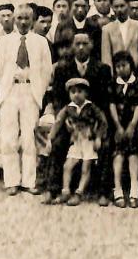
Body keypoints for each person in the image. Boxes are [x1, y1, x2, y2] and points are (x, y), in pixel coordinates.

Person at [0, 4, 53, 195]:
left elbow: (46, 70)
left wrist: (38, 92)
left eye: (27, 18)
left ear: (33, 20)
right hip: (10, 90)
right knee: (8, 138)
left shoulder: (40, 42)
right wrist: (6, 86)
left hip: (30, 91)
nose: (23, 22)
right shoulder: (4, 42)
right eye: (19, 18)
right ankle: (11, 181)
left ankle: (29, 181)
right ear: (14, 20)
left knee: (29, 137)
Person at [44, 31, 112, 204]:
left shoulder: (102, 69)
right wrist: (67, 119)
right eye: (77, 44)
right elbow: (58, 98)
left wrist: (95, 128)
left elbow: (104, 102)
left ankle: (103, 192)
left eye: (85, 43)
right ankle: (53, 189)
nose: (81, 47)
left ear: (91, 45)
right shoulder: (62, 69)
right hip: (71, 122)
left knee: (104, 144)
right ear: (72, 47)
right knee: (58, 142)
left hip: (92, 124)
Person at [48, 78, 108, 206]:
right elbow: (58, 121)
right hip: (76, 141)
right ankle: (65, 191)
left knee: (86, 167)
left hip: (88, 141)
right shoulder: (69, 108)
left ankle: (79, 192)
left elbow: (103, 122)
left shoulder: (91, 107)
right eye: (73, 92)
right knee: (67, 166)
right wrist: (50, 138)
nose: (76, 94)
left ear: (86, 93)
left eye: (79, 91)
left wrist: (98, 137)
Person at [107, 51, 138, 208]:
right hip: (117, 125)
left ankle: (134, 190)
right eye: (118, 66)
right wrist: (118, 127)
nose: (121, 69)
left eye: (124, 65)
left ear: (131, 65)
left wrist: (132, 126)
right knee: (118, 153)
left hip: (133, 125)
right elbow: (112, 105)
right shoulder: (113, 83)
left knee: (133, 154)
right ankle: (118, 190)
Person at [101, 0, 138, 71]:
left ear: (128, 5)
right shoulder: (107, 29)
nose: (119, 9)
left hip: (136, 71)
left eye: (122, 6)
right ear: (112, 7)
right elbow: (106, 57)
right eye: (116, 7)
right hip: (117, 72)